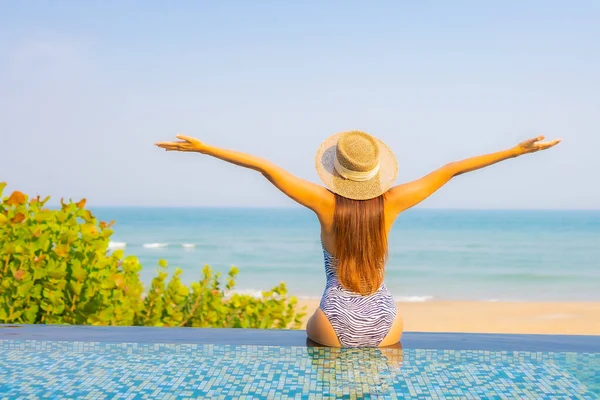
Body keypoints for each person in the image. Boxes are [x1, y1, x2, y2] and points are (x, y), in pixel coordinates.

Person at [155, 130, 560, 347]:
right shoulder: (393, 203)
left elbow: (266, 167)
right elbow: (451, 169)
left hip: (334, 318)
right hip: (386, 319)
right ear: (375, 174)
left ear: (336, 171)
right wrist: (515, 151)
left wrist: (204, 148)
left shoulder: (324, 203)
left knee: (323, 371)